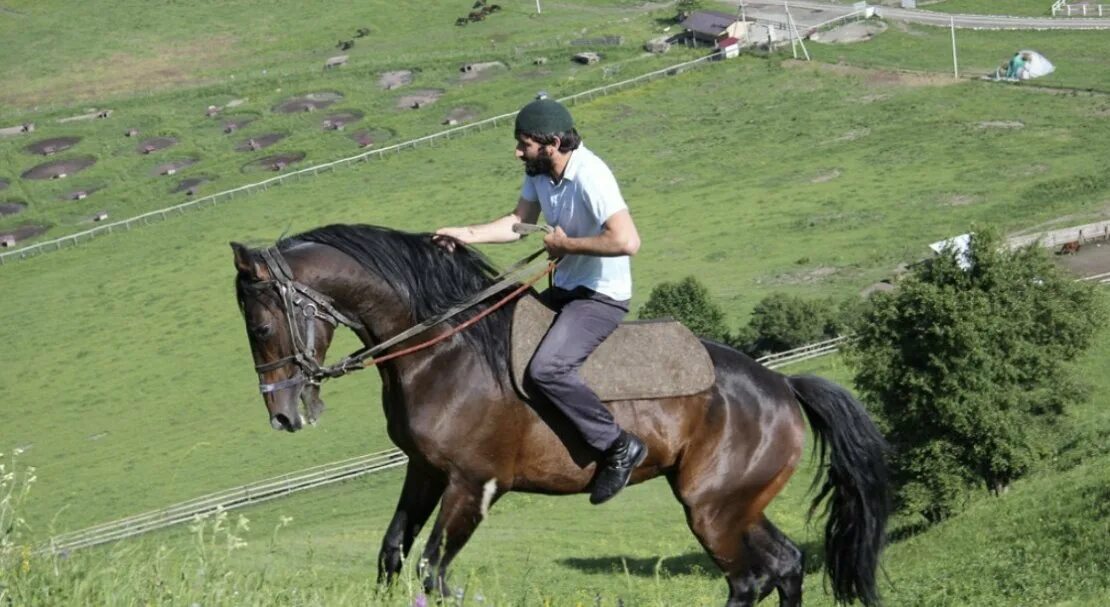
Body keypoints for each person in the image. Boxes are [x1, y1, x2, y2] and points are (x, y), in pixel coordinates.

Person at [434, 97, 646, 505]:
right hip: (565, 287)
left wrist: (568, 244)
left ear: (550, 143)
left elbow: (627, 240)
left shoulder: (592, 176)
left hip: (600, 298)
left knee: (548, 369)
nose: (518, 152)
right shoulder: (541, 172)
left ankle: (618, 446)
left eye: (524, 144)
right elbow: (518, 223)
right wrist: (463, 234)